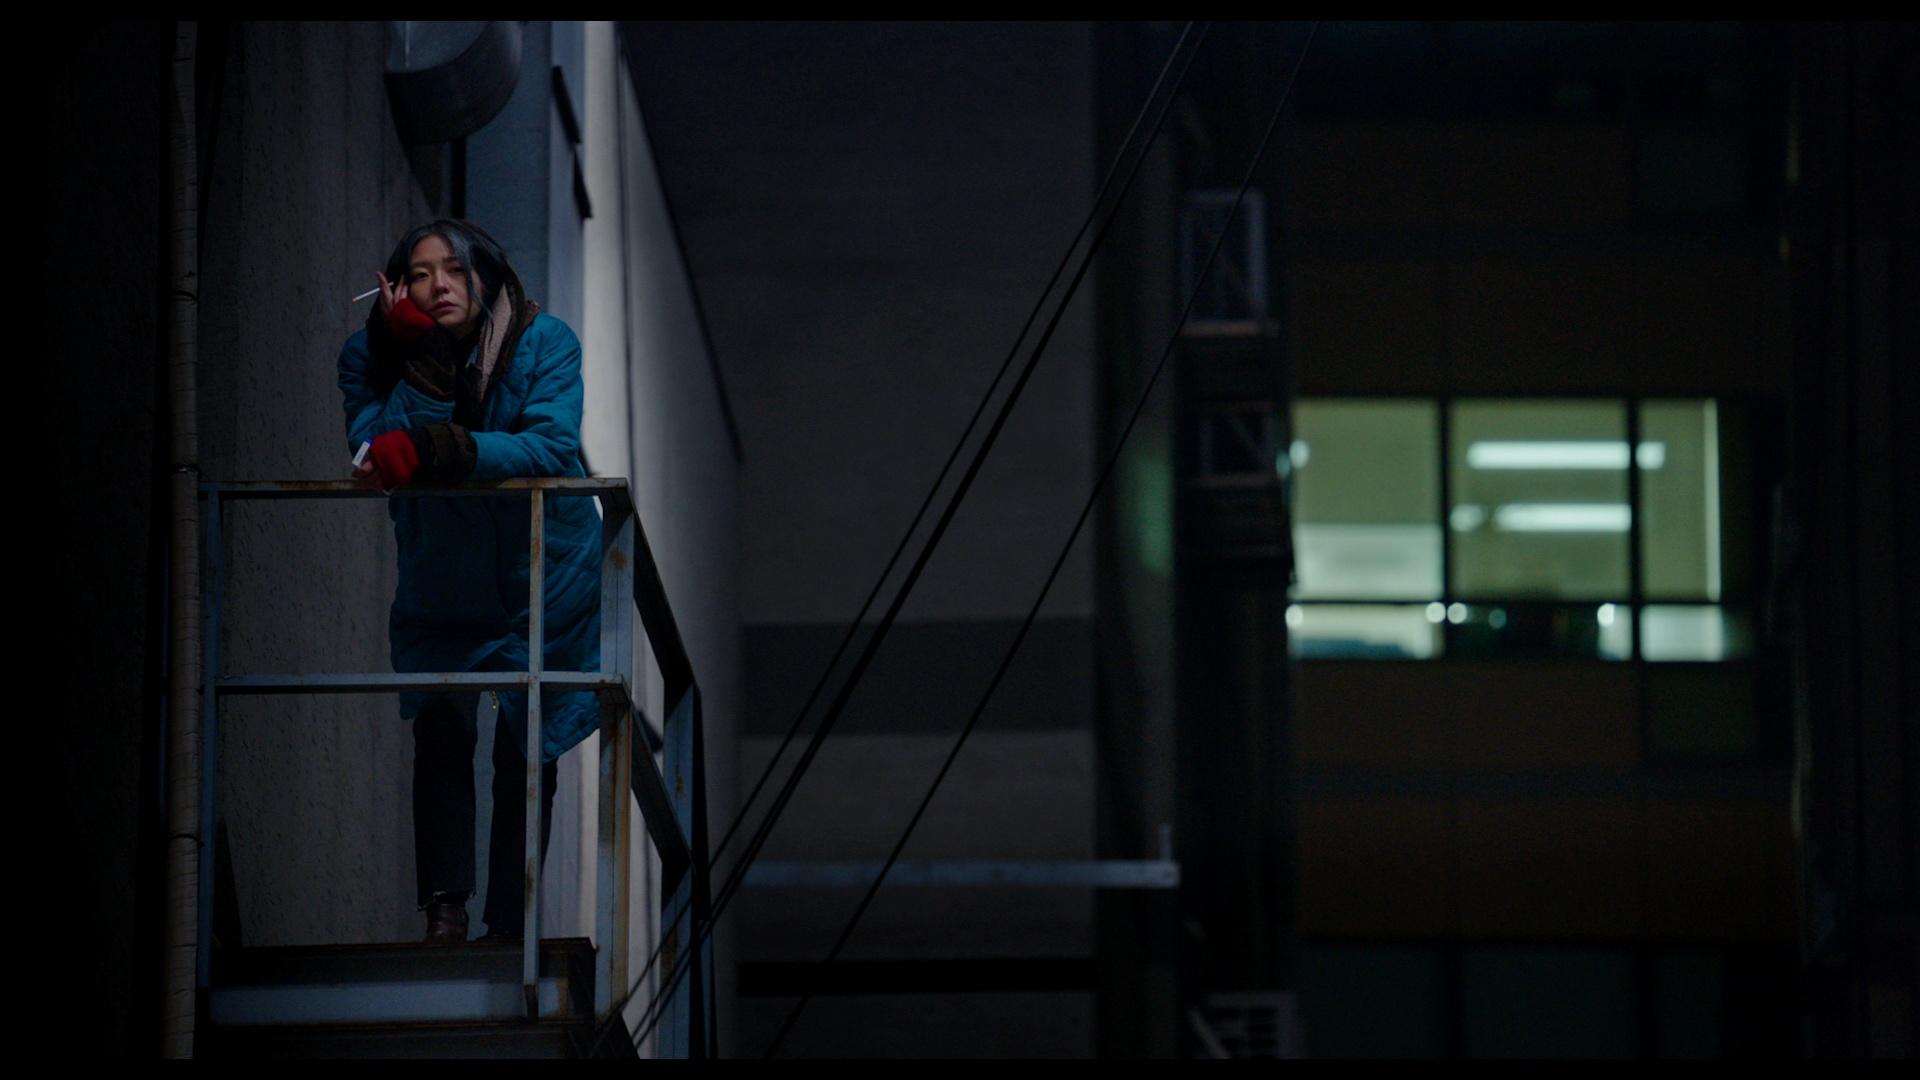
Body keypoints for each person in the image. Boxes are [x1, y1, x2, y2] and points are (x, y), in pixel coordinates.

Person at [337, 219, 603, 944]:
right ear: (396, 289)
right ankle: (445, 913)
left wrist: (443, 448)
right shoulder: (367, 357)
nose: (439, 285)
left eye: (454, 270)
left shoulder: (544, 341)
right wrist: (422, 361)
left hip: (539, 574)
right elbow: (373, 453)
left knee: (526, 743)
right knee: (442, 730)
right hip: (443, 575)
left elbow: (550, 443)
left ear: (484, 277)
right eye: (419, 274)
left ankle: (511, 925)